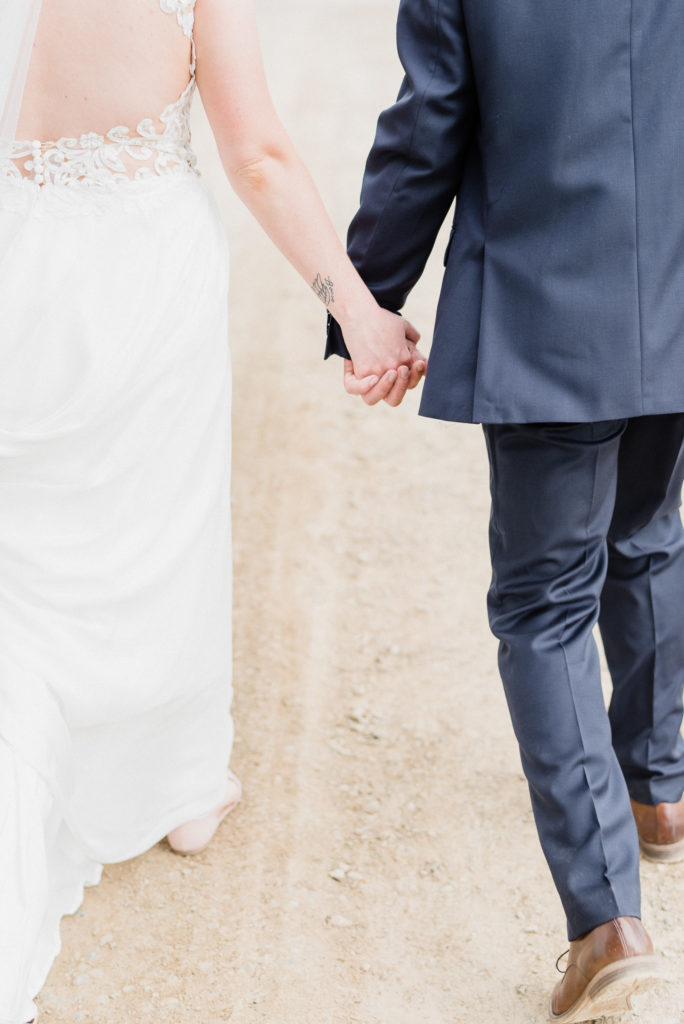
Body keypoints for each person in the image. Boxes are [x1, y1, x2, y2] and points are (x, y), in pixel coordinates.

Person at [0, 1, 427, 1021]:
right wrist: (357, 310)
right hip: (143, 280)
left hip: (24, 275)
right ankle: (171, 786)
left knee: (29, 538)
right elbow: (262, 156)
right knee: (155, 523)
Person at [327, 2, 684, 1021]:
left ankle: (609, 923)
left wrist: (367, 299)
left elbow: (427, 125)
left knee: (544, 604)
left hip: (549, 311)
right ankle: (658, 788)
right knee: (649, 530)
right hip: (674, 292)